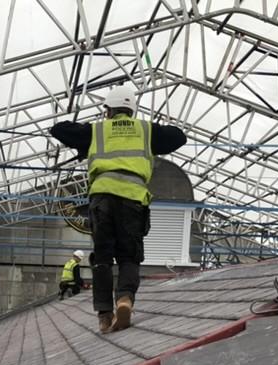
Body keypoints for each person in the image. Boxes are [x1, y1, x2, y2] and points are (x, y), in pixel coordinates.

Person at [49, 85, 186, 333]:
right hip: (133, 200)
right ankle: (124, 299)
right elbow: (178, 137)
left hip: (102, 200)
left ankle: (104, 314)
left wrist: (87, 136)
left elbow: (59, 130)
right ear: (132, 110)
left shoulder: (97, 131)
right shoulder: (145, 131)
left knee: (102, 257)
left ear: (107, 111)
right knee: (129, 256)